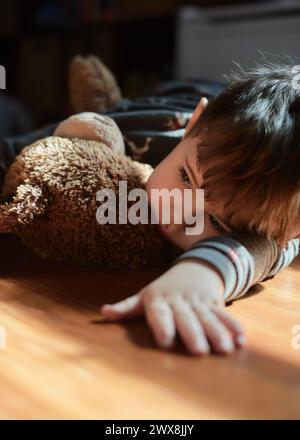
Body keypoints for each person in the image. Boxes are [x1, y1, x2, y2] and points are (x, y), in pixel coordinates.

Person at [1, 61, 299, 356]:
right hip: (177, 94)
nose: (179, 215)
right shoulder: (141, 132)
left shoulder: (276, 211)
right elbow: (16, 156)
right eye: (185, 178)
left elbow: (267, 247)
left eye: (217, 224)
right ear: (193, 125)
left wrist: (204, 273)